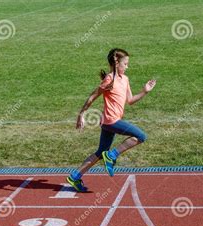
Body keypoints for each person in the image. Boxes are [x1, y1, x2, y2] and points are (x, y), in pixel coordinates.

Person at [66, 48, 157, 192]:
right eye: (125, 64)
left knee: (100, 152)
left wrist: (144, 91)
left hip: (108, 123)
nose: (127, 67)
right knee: (141, 136)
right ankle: (112, 155)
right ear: (116, 64)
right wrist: (81, 115)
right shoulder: (109, 79)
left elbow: (130, 100)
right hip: (111, 121)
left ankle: (75, 176)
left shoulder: (125, 79)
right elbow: (92, 97)